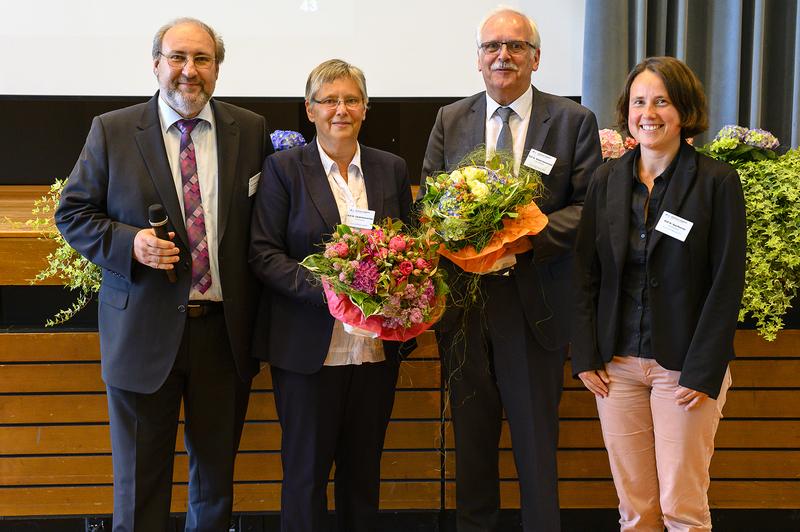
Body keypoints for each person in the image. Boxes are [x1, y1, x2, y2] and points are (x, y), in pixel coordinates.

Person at [55, 18, 271, 532]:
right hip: (143, 333)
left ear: (218, 67)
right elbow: (74, 213)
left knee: (215, 485)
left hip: (224, 335)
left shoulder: (251, 129)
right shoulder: (113, 129)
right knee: (139, 486)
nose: (189, 71)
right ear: (156, 64)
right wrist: (132, 243)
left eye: (202, 59)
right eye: (178, 57)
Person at [419, 7, 602, 532]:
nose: (504, 55)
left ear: (536, 58)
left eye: (516, 47)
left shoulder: (571, 121)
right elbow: (432, 201)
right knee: (472, 452)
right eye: (492, 47)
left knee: (536, 452)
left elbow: (588, 207)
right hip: (466, 312)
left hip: (535, 308)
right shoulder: (449, 119)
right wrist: (463, 238)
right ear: (478, 60)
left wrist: (522, 239)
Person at [571, 56, 746, 531]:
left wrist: (704, 369)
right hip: (617, 367)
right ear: (626, 111)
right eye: (639, 102)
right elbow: (585, 274)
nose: (649, 113)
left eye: (662, 101)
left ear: (684, 110)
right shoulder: (606, 180)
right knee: (636, 510)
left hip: (684, 368)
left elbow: (726, 281)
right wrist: (585, 355)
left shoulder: (716, 182)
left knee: (681, 507)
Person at [249, 59, 414, 532]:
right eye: (328, 100)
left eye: (350, 100)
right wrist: (335, 293)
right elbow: (264, 254)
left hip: (375, 352)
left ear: (366, 107)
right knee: (305, 479)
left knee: (363, 480)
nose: (340, 109)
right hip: (308, 353)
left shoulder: (390, 168)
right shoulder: (283, 169)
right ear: (310, 109)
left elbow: (409, 247)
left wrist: (399, 287)